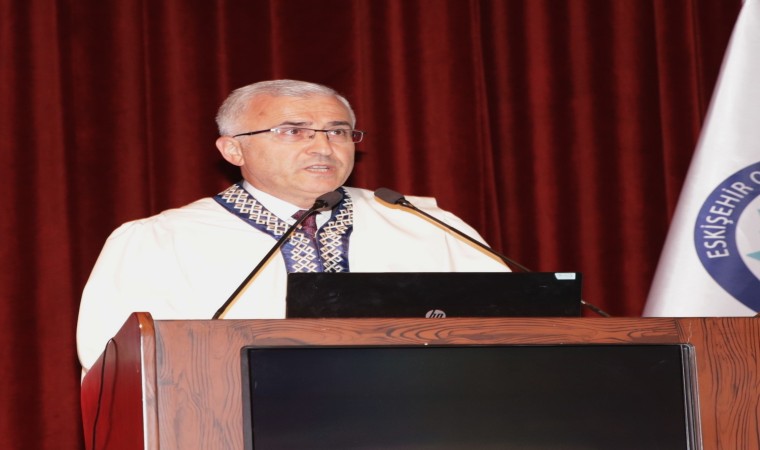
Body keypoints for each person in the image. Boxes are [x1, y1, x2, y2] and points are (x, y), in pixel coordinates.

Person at [76, 79, 508, 372]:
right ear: (233, 150)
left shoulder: (425, 226)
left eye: (338, 132)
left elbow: (515, 326)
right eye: (292, 131)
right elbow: (116, 369)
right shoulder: (160, 241)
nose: (323, 147)